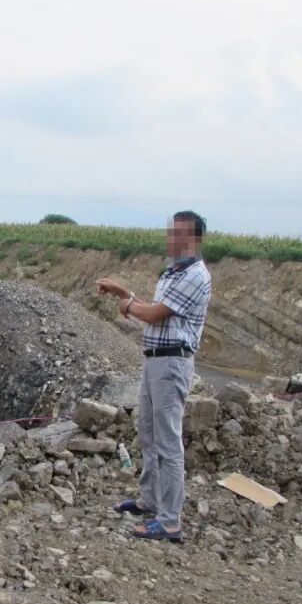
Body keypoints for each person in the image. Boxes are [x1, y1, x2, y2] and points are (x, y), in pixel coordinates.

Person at [95, 210, 212, 542]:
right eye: (170, 231)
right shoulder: (174, 273)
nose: (171, 238)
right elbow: (156, 311)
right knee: (147, 432)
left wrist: (128, 304)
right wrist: (125, 295)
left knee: (168, 442)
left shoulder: (195, 275)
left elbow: (155, 313)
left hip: (172, 364)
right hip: (155, 361)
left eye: (179, 233)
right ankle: (150, 499)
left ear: (194, 239)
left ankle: (170, 520)